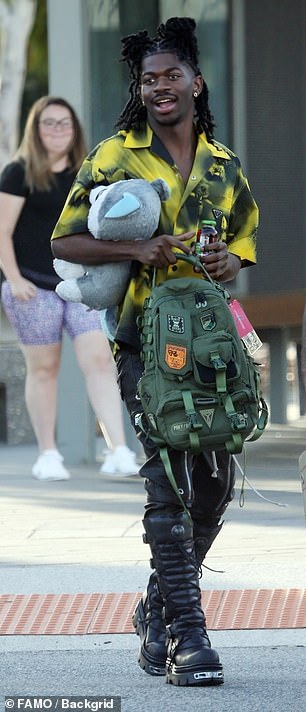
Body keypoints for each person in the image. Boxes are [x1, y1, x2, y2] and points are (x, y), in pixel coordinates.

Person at [51, 17, 258, 686]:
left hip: (212, 354)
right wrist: (134, 248)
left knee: (217, 485)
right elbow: (64, 241)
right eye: (149, 79)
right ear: (140, 91)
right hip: (144, 344)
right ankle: (187, 639)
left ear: (197, 83)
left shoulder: (224, 166)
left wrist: (229, 259)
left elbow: (244, 243)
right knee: (169, 483)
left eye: (172, 76)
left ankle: (155, 611)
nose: (160, 87)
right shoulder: (114, 155)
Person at [0, 95, 139, 481]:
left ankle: (118, 450)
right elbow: (2, 232)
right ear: (36, 129)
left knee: (99, 361)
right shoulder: (18, 172)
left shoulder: (89, 171)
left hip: (82, 285)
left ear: (74, 129)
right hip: (33, 286)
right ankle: (47, 454)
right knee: (44, 370)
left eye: (64, 123)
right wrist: (13, 279)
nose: (57, 130)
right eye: (49, 123)